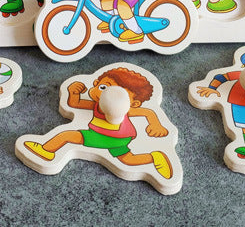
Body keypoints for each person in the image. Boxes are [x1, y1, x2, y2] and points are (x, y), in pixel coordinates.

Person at [22, 66, 173, 180]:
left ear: (133, 103)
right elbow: (75, 103)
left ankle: (46, 151)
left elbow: (147, 112)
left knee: (67, 136)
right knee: (128, 159)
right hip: (118, 139)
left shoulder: (124, 108)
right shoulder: (99, 104)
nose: (104, 93)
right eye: (103, 87)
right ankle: (155, 157)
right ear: (96, 83)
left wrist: (156, 125)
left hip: (107, 136)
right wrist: (74, 92)